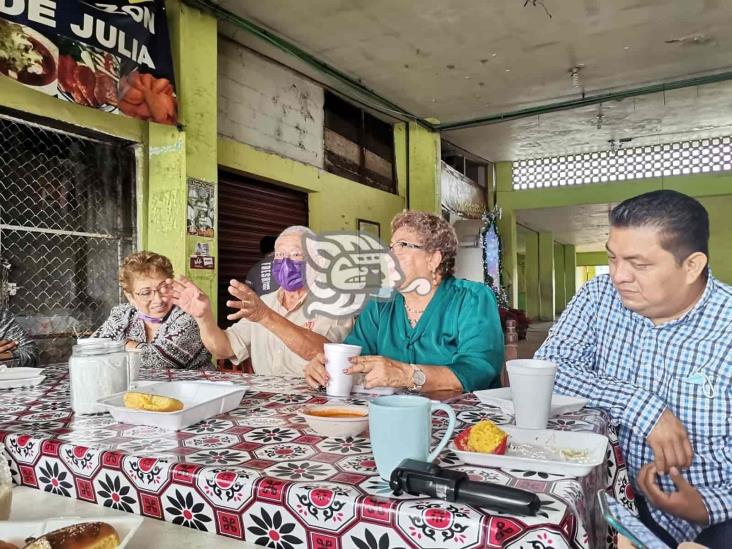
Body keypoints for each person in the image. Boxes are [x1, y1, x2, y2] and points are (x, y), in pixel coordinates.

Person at [535, 190, 731, 548]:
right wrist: (643, 407)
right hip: (618, 496)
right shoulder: (599, 297)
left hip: (715, 514)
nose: (619, 276)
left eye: (638, 264)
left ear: (692, 266)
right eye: (613, 257)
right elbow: (547, 367)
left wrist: (705, 506)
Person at [304, 211, 504, 393]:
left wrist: (407, 375)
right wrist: (328, 366)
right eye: (390, 247)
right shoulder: (380, 303)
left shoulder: (471, 298)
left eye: (402, 246)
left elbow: (478, 370)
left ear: (433, 259)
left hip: (463, 421)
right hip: (394, 416)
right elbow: (355, 356)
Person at [166, 226, 354, 377]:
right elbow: (224, 349)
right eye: (280, 255)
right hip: (267, 402)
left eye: (297, 254)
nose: (286, 262)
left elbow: (322, 353)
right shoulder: (265, 302)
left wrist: (265, 316)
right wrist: (204, 317)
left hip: (314, 398)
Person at [93, 251, 211, 370]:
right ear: (130, 297)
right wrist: (129, 347)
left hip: (194, 386)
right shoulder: (123, 313)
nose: (158, 300)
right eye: (146, 293)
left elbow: (158, 362)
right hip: (139, 387)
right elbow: (92, 349)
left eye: (164, 288)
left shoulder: (188, 316)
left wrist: (117, 345)